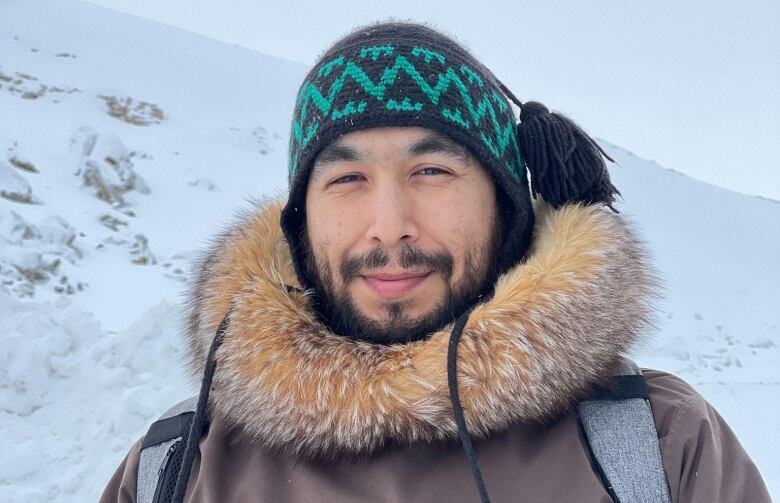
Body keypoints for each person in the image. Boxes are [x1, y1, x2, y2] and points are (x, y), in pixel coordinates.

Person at [101, 22, 770, 503]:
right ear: (300, 222)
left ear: (507, 208)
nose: (390, 225)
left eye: (432, 170)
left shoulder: (657, 446)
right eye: (346, 179)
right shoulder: (177, 469)